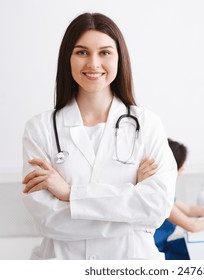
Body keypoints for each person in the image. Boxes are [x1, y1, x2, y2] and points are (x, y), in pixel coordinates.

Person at [21, 13, 177, 260]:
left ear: (119, 58)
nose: (93, 64)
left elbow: (157, 208)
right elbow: (47, 220)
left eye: (104, 52)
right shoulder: (40, 129)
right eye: (82, 52)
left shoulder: (147, 124)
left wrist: (70, 194)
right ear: (68, 59)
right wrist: (131, 206)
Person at [138, 139, 204, 260]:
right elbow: (192, 226)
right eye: (182, 165)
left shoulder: (164, 191)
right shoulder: (157, 195)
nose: (183, 169)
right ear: (172, 167)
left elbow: (189, 209)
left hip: (164, 245)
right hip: (157, 253)